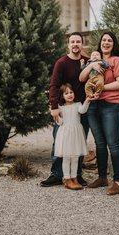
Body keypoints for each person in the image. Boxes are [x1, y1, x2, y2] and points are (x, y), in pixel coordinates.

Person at [79, 31, 119, 195]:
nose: (106, 42)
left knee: (113, 144)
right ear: (100, 43)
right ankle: (102, 177)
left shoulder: (116, 60)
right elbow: (81, 78)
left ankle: (118, 181)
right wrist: (91, 65)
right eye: (103, 40)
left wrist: (100, 89)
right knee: (99, 143)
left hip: (111, 105)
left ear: (113, 44)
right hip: (94, 106)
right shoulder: (94, 61)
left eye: (109, 40)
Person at [40, 32, 89, 187]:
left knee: (79, 141)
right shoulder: (61, 62)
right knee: (59, 141)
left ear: (82, 44)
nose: (75, 44)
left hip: (81, 108)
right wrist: (54, 107)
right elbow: (53, 86)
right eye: (72, 41)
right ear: (68, 45)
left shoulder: (87, 62)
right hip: (63, 109)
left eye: (78, 42)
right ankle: (56, 174)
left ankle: (76, 175)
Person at [54, 83, 91, 190]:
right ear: (62, 96)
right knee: (66, 157)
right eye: (66, 93)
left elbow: (83, 110)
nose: (69, 95)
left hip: (76, 134)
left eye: (71, 92)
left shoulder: (78, 104)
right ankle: (67, 178)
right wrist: (55, 114)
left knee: (75, 157)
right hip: (65, 135)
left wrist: (87, 100)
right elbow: (60, 123)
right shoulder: (60, 108)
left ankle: (74, 178)